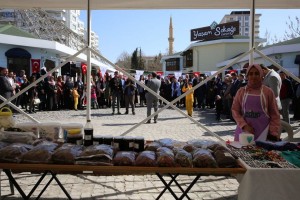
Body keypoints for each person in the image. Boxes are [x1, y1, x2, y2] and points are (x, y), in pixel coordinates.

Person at [232, 64, 281, 141]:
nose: (253, 76)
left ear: (261, 75)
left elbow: (274, 114)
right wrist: (244, 125)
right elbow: (235, 110)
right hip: (244, 132)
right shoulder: (241, 91)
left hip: (263, 133)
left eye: (256, 73)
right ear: (247, 76)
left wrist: (273, 132)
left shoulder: (268, 92)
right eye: (251, 74)